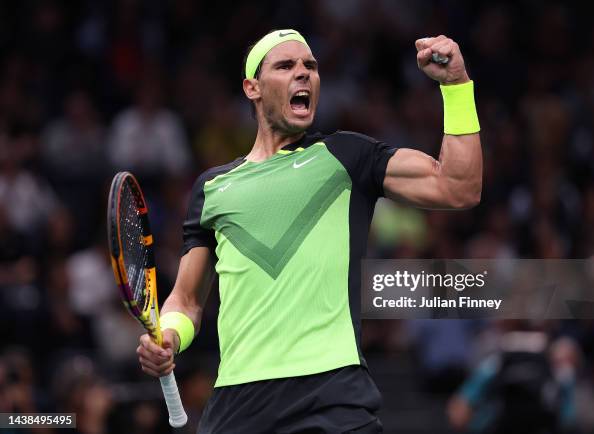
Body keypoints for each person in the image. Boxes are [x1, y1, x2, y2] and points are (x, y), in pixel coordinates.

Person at [136, 29, 482, 433]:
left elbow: (458, 186)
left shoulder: (346, 156)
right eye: (285, 66)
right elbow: (188, 300)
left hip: (332, 395)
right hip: (238, 402)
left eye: (311, 67)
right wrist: (170, 336)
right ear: (253, 88)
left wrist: (457, 87)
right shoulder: (213, 188)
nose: (304, 73)